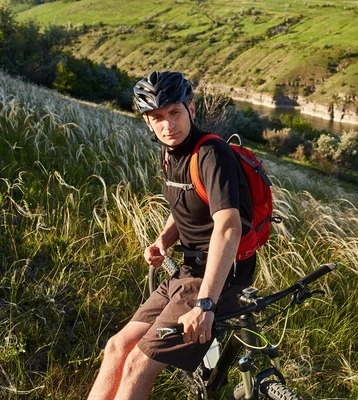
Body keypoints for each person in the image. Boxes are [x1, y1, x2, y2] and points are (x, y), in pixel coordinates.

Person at [88, 71, 255, 399]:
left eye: (175, 113)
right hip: (186, 272)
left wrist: (206, 303)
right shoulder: (170, 153)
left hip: (217, 277)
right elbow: (185, 204)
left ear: (191, 110)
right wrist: (163, 241)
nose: (168, 125)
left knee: (138, 363)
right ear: (148, 123)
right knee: (117, 347)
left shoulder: (211, 154)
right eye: (157, 118)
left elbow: (228, 226)